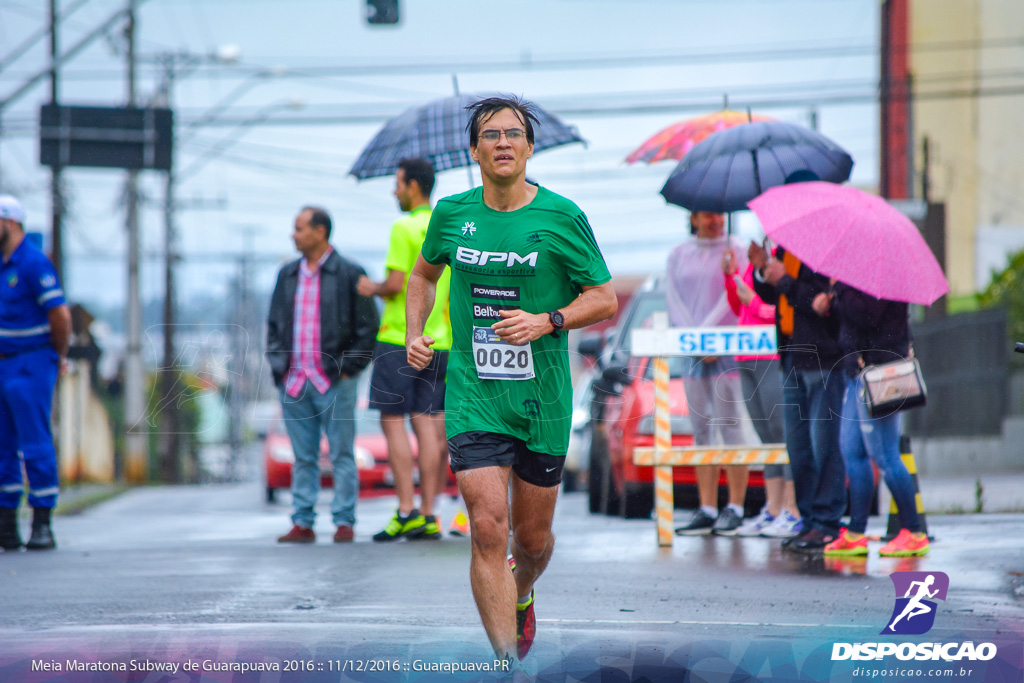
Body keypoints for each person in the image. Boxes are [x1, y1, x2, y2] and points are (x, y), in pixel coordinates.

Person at [405, 96, 617, 663]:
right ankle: (506, 666)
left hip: (542, 398)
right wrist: (414, 331)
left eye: (514, 134)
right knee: (487, 528)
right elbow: (422, 274)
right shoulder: (451, 215)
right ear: (473, 150)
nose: (503, 142)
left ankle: (521, 593)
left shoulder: (561, 217)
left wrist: (548, 320)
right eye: (491, 135)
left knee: (532, 542)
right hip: (474, 395)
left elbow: (603, 298)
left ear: (529, 147)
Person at [266, 206, 379, 544]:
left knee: (343, 454)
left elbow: (367, 327)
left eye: (299, 228)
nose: (293, 234)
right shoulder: (287, 274)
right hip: (295, 380)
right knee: (303, 457)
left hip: (335, 381)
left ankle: (344, 522)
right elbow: (273, 326)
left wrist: (350, 370)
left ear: (320, 232)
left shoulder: (348, 273)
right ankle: (302, 522)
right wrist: (278, 367)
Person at [748, 171, 847, 553]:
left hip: (823, 359)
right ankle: (808, 518)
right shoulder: (786, 241)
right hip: (791, 356)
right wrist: (762, 268)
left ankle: (827, 521)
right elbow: (775, 294)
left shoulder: (827, 244)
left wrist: (785, 280)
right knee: (799, 446)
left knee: (825, 446)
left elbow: (827, 303)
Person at [357, 158, 452, 542]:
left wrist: (371, 288)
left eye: (397, 183)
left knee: (393, 424)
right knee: (429, 426)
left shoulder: (405, 226)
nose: (394, 190)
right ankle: (430, 514)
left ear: (414, 186)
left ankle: (406, 509)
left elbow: (397, 284)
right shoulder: (447, 224)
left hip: (400, 338)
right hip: (443, 338)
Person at [821, 280, 930, 558]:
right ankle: (856, 533)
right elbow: (847, 322)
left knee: (885, 455)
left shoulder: (880, 278)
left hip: (882, 373)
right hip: (857, 374)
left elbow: (867, 315)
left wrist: (841, 290)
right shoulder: (854, 279)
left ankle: (914, 532)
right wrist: (832, 301)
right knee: (852, 451)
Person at [668, 211, 752, 536]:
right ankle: (706, 506)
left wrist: (710, 333)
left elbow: (734, 296)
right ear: (693, 218)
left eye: (718, 214)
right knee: (701, 427)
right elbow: (674, 298)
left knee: (731, 425)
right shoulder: (678, 254)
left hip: (726, 345)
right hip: (692, 349)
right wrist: (693, 336)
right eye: (706, 215)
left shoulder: (737, 249)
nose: (714, 221)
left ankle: (736, 505)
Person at [0, 195, 71, 552]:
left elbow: (59, 315)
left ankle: (42, 522)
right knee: (3, 447)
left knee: (34, 443)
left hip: (30, 363)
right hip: (3, 362)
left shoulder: (33, 264)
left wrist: (57, 355)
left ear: (10, 223)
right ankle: (6, 524)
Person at [723, 246, 802, 538]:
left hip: (771, 354)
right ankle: (773, 508)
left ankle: (793, 510)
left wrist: (753, 303)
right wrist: (729, 276)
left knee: (781, 431)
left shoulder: (786, 263)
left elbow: (782, 311)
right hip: (746, 354)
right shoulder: (758, 261)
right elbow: (737, 305)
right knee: (765, 435)